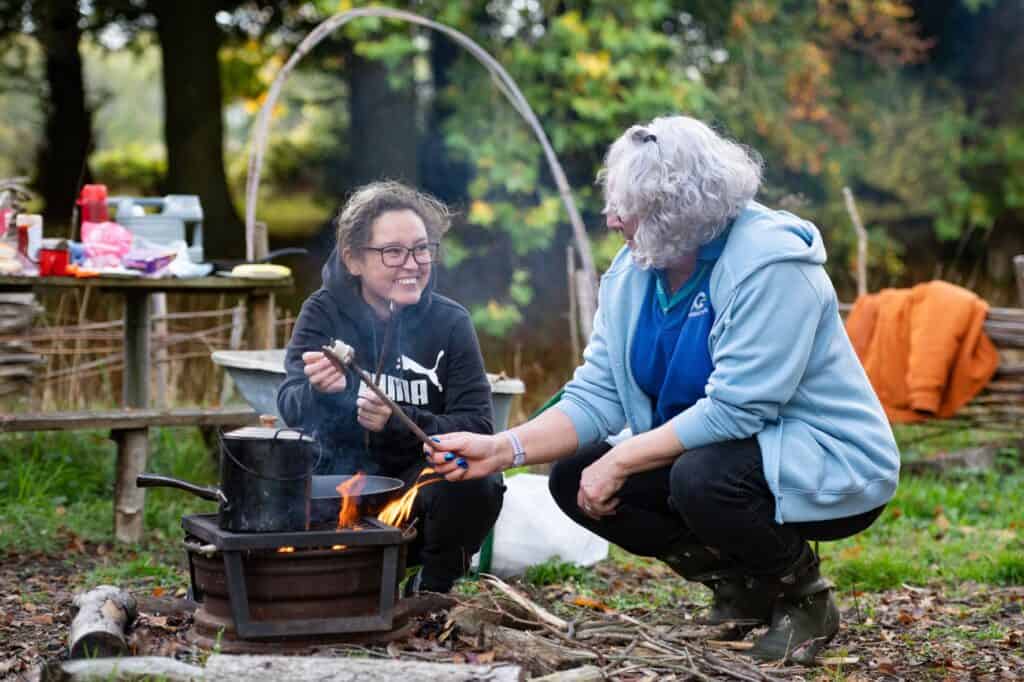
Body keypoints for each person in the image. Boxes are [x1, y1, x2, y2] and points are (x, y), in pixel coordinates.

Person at [426, 116, 900, 663]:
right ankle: (741, 584)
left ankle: (803, 596)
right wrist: (502, 449)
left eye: (626, 207)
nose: (611, 219)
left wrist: (622, 458)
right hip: (718, 458)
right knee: (574, 476)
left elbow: (737, 410)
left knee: (700, 477)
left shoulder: (771, 266)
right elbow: (597, 393)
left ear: (677, 209)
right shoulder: (635, 274)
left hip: (829, 461)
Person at [278, 180, 503, 594]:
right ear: (354, 259)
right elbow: (289, 406)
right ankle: (317, 582)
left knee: (478, 479)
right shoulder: (324, 312)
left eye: (421, 249)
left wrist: (397, 420)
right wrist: (318, 392)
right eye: (393, 252)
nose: (412, 264)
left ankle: (430, 591)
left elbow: (479, 427)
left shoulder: (451, 323)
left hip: (415, 497)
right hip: (336, 493)